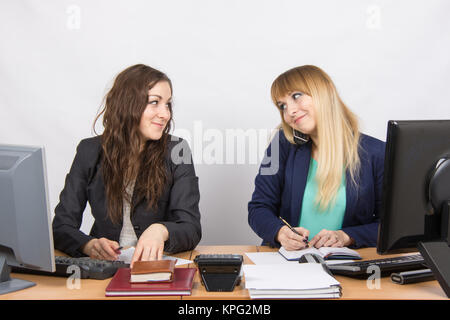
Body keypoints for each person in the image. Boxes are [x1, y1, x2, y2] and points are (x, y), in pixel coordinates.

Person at [52, 64, 201, 266]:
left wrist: (160, 230)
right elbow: (61, 226)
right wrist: (88, 245)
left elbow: (191, 227)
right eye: (155, 102)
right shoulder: (89, 151)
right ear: (128, 104)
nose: (165, 114)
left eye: (167, 104)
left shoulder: (177, 150)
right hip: (103, 269)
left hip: (154, 268)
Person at [248, 65, 385, 250]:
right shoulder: (281, 145)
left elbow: (392, 225)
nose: (290, 112)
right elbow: (258, 208)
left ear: (326, 91)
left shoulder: (376, 153)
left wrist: (347, 236)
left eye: (296, 96)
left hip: (346, 266)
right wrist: (280, 232)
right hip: (287, 264)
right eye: (282, 106)